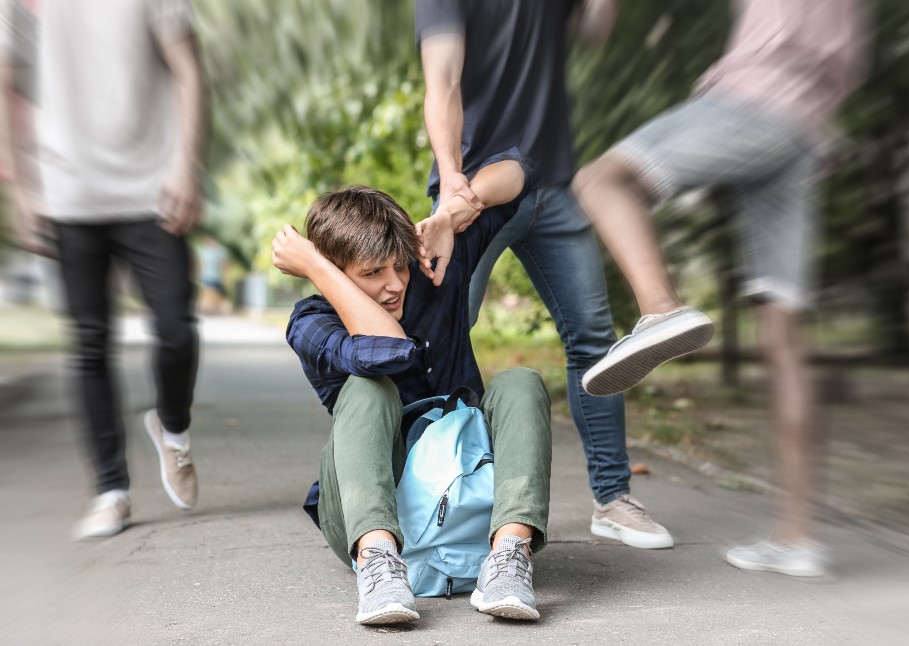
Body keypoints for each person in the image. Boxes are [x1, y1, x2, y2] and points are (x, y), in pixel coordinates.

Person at [572, 0, 864, 576]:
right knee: (783, 338)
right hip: (805, 130)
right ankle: (797, 538)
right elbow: (841, 58)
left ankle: (662, 309)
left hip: (751, 98)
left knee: (603, 180)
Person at [415, 0, 675, 551]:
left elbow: (598, 28)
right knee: (439, 344)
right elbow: (442, 80)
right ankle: (427, 500)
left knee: (594, 341)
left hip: (552, 184)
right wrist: (451, 177)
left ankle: (613, 499)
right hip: (474, 190)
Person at [273, 159, 552, 625]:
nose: (394, 284)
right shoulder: (311, 322)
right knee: (367, 389)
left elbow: (522, 175)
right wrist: (319, 269)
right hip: (371, 513)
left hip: (467, 491)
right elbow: (389, 349)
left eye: (398, 266)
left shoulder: (432, 266)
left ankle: (509, 556)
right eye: (372, 273)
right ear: (335, 274)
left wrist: (447, 215)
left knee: (520, 382)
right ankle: (380, 565)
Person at [0, 0, 208, 538]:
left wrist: (187, 165)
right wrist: (23, 187)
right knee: (90, 342)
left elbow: (189, 68)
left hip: (153, 188)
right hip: (70, 195)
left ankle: (173, 427)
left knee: (176, 331)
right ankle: (110, 490)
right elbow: (6, 82)